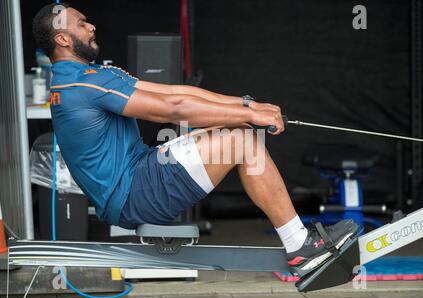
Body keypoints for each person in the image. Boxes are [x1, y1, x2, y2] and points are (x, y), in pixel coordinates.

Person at [32, 3, 358, 276]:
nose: (91, 27)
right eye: (82, 23)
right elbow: (171, 109)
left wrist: (246, 105)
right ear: (62, 38)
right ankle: (301, 248)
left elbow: (176, 91)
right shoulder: (82, 86)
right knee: (242, 140)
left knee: (240, 133)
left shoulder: (90, 76)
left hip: (141, 174)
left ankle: (299, 243)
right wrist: (249, 116)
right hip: (135, 193)